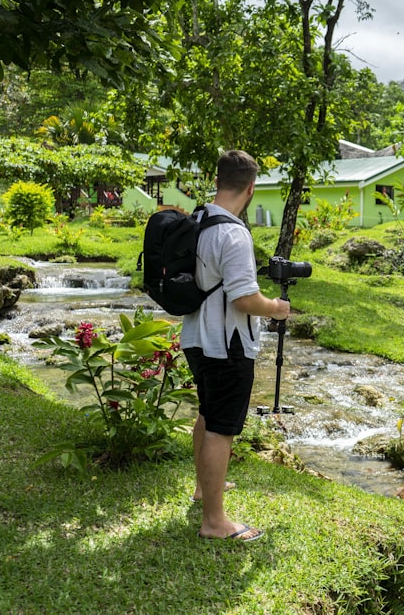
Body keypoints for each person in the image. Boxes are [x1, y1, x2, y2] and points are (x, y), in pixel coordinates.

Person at [181, 150, 290, 542]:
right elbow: (244, 299)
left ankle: (202, 489)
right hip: (226, 342)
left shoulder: (197, 221)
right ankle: (214, 521)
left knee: (208, 414)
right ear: (251, 188)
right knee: (222, 428)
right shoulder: (234, 232)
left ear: (217, 180)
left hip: (195, 336)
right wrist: (276, 309)